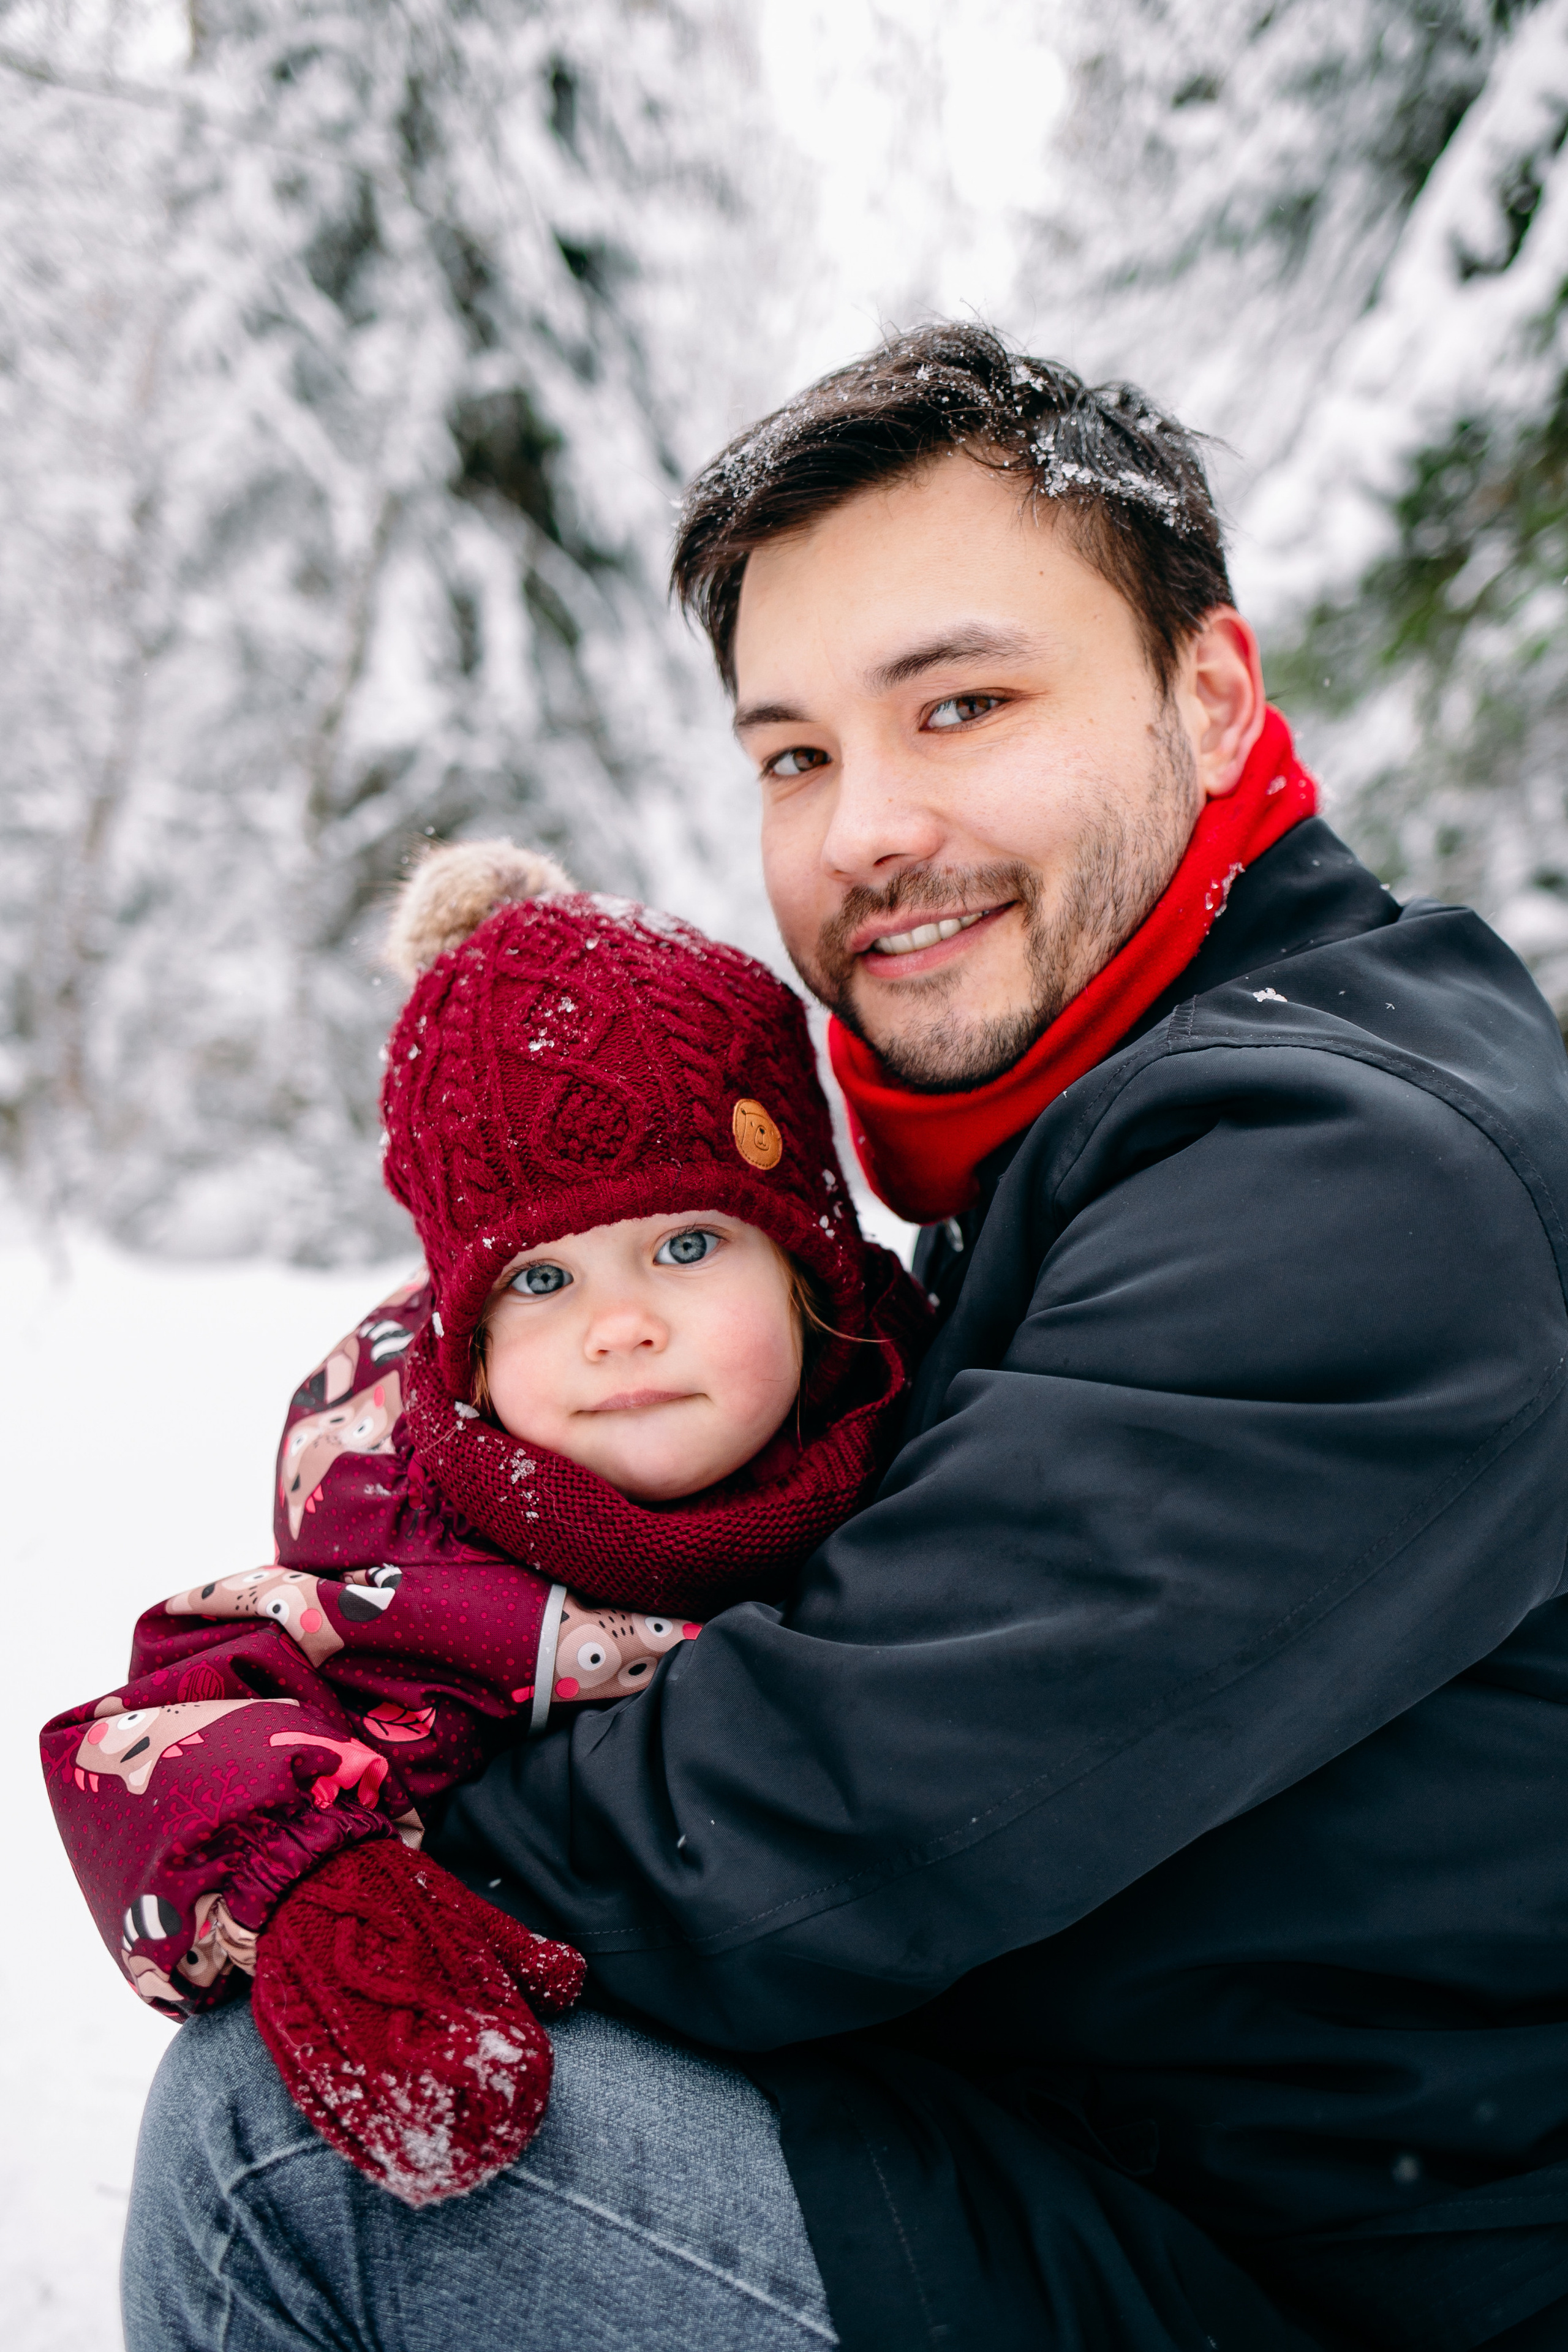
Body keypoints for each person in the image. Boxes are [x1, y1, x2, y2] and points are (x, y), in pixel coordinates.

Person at [121, 320, 1568, 2352]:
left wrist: (332, 1845)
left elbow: (828, 1809)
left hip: (1339, 2286)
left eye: (959, 705)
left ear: (1213, 697)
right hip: (1112, 2186)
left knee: (301, 2145)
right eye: (796, 754)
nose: (862, 828)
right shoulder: (1103, 1133)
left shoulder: (1349, 1171)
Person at [42, 843, 925, 2205]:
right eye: (543, 1277)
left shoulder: (936, 1463)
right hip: (617, 2115)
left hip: (923, 2149)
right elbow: (162, 1725)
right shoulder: (425, 1560)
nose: (620, 1323)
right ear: (467, 1338)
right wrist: (307, 1879)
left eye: (686, 1247)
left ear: (804, 1257)